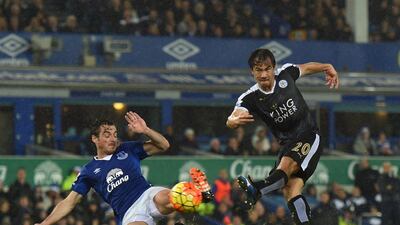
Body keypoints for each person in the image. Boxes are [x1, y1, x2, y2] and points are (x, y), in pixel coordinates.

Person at [35, 111, 212, 225]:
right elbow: (69, 202)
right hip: (129, 212)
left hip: (147, 194)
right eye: (106, 135)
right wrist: (45, 223)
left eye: (115, 134)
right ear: (94, 139)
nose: (113, 138)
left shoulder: (127, 149)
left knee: (176, 196)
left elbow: (164, 145)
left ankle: (201, 194)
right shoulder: (89, 170)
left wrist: (145, 130)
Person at [226, 48, 339, 224]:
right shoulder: (250, 97)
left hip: (308, 135)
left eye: (267, 69)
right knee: (291, 190)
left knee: (286, 166)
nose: (264, 74)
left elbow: (307, 68)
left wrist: (326, 66)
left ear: (274, 68)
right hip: (287, 144)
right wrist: (231, 122)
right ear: (252, 72)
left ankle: (257, 189)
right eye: (258, 70)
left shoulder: (286, 74)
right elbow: (234, 115)